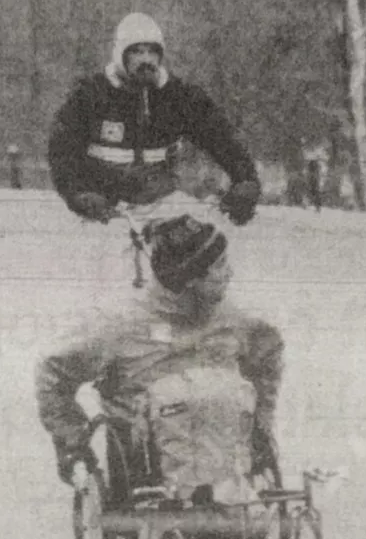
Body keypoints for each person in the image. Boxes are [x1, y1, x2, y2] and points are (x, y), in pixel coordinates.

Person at [35, 215, 283, 506]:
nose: (230, 274)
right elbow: (53, 372)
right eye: (220, 267)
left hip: (224, 449)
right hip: (146, 461)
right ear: (191, 278)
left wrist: (260, 426)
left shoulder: (238, 322)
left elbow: (267, 359)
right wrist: (72, 442)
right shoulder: (120, 325)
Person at [47, 13, 262, 229]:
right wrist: (78, 194)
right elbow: (62, 151)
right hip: (102, 207)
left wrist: (246, 180)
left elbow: (222, 138)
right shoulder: (92, 95)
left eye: (152, 52)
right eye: (138, 52)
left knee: (199, 246)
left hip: (158, 201)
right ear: (121, 55)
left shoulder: (177, 96)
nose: (146, 60)